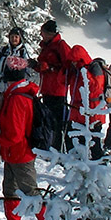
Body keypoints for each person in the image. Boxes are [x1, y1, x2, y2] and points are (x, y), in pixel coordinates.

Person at [0, 56, 48, 220]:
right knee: (10, 189)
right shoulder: (16, 94)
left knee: (30, 191)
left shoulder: (17, 98)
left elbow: (15, 135)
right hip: (13, 152)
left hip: (20, 152)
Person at [65, 45, 107, 160]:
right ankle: (83, 162)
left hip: (93, 110)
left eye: (75, 61)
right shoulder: (75, 71)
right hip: (78, 110)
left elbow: (95, 88)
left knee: (94, 142)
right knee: (79, 140)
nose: (73, 63)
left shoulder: (93, 68)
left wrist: (84, 72)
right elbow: (63, 82)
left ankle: (99, 164)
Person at [36, 19, 71, 151]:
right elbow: (43, 67)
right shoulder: (47, 46)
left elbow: (68, 67)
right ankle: (50, 144)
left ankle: (59, 146)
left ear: (49, 33)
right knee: (48, 119)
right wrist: (36, 66)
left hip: (58, 90)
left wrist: (50, 68)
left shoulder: (61, 46)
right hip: (47, 89)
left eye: (43, 32)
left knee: (58, 120)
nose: (41, 35)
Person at [0, 26, 28, 114]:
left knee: (12, 113)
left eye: (16, 37)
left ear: (20, 38)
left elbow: (28, 71)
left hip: (16, 89)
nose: (14, 39)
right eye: (12, 37)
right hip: (1, 86)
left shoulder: (24, 52)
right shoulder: (3, 50)